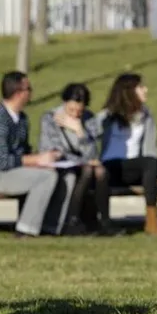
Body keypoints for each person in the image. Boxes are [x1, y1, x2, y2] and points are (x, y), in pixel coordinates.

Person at [88, 73, 157, 234]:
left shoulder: (146, 114)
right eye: (141, 87)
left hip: (139, 167)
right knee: (148, 162)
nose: (146, 90)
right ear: (129, 91)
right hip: (113, 167)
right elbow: (90, 133)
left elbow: (150, 148)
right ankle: (152, 222)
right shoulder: (109, 115)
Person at [0, 71, 61, 238]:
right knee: (46, 177)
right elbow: (0, 161)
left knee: (56, 173)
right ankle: (25, 230)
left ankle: (52, 226)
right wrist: (37, 160)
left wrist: (44, 159)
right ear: (19, 93)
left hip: (13, 171)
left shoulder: (21, 119)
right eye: (29, 88)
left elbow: (23, 152)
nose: (32, 92)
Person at [39, 83, 121, 236]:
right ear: (64, 104)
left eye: (79, 111)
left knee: (100, 171)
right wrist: (82, 160)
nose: (75, 114)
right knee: (89, 169)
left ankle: (105, 221)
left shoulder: (88, 119)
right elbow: (55, 151)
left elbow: (92, 154)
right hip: (60, 164)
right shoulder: (50, 118)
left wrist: (79, 131)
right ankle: (72, 220)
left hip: (82, 164)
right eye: (71, 110)